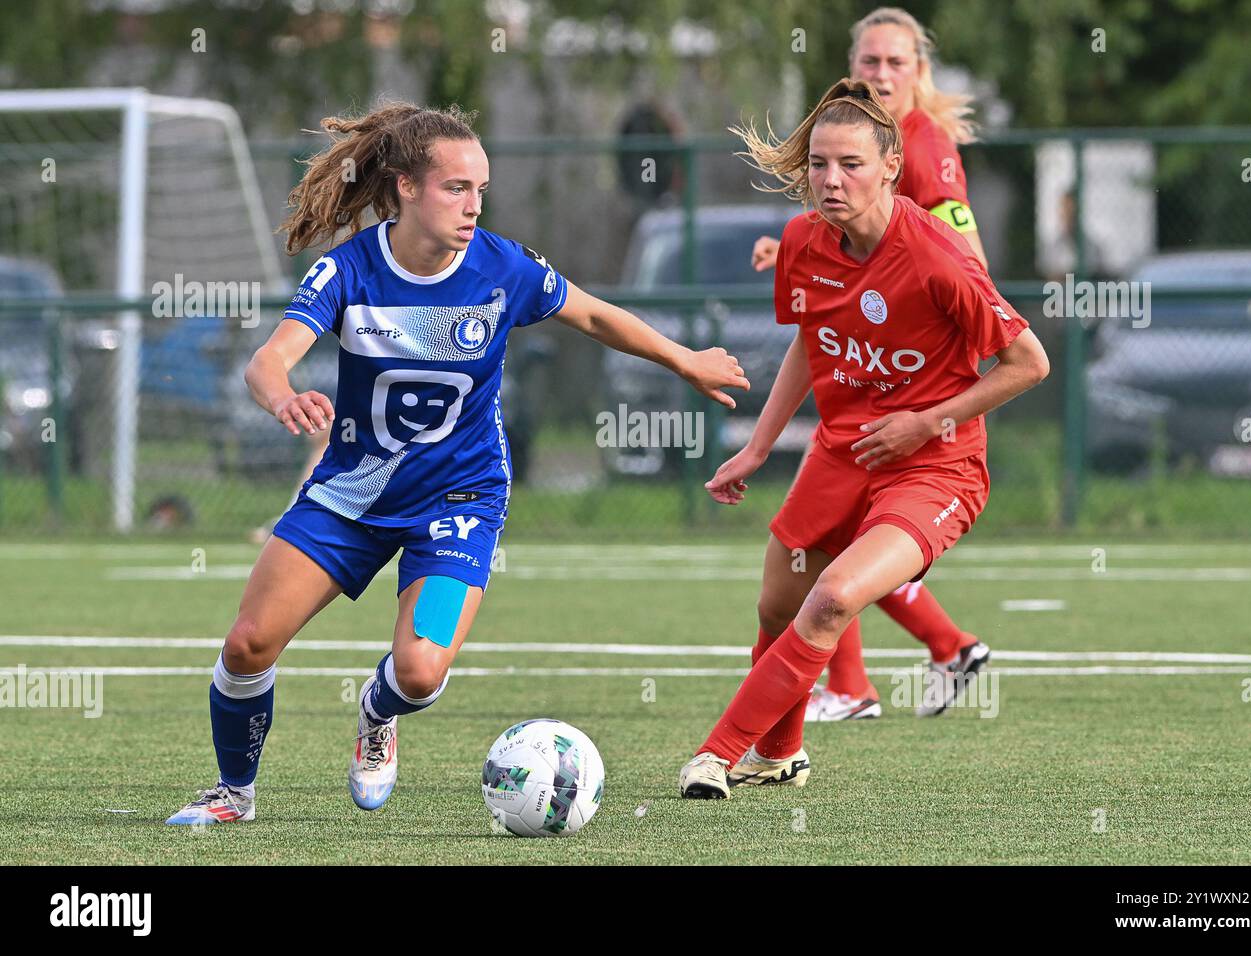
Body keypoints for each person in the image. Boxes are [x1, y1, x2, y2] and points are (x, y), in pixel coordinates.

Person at [165, 101, 749, 825]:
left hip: (459, 500)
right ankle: (234, 795)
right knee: (248, 644)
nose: (474, 206)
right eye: (455, 188)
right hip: (350, 493)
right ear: (407, 187)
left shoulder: (503, 267)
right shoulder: (350, 269)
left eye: (481, 190)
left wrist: (684, 359)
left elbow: (595, 315)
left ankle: (376, 715)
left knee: (418, 672)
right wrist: (282, 396)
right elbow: (268, 360)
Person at [679, 78, 1048, 798]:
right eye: (819, 163)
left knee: (833, 597)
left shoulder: (938, 257)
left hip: (935, 469)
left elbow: (1029, 363)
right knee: (776, 608)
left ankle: (717, 754)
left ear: (889, 165)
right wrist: (757, 448)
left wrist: (926, 421)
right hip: (839, 455)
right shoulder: (803, 241)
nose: (830, 179)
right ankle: (782, 754)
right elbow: (809, 343)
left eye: (850, 164)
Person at [750, 7, 991, 722]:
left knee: (837, 545)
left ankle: (858, 686)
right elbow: (858, 236)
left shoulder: (923, 144)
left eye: (896, 62)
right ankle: (941, 649)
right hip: (866, 366)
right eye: (868, 63)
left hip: (914, 385)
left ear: (920, 71)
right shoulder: (866, 143)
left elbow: (965, 259)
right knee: (832, 543)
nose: (880, 75)